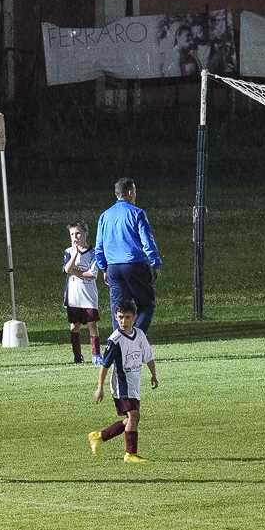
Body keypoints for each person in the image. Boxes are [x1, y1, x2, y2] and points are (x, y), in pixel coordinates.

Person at [88, 302, 156, 464]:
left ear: (135, 317)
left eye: (127, 317)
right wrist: (100, 388)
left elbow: (148, 356)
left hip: (134, 386)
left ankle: (99, 436)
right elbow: (105, 366)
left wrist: (154, 374)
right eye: (120, 317)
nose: (123, 321)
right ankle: (130, 454)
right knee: (134, 416)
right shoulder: (115, 340)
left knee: (131, 420)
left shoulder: (139, 335)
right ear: (116, 317)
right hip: (121, 386)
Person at [93, 177, 162, 336]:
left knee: (118, 309)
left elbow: (99, 246)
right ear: (130, 192)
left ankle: (118, 343)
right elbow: (147, 241)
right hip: (135, 265)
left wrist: (104, 268)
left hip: (113, 267)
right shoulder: (137, 213)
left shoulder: (105, 216)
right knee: (146, 305)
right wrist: (155, 262)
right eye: (135, 191)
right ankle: (135, 338)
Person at [61, 223, 104, 364]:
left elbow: (92, 274)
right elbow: (67, 269)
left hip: (89, 295)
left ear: (85, 234)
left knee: (92, 324)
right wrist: (75, 255)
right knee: (74, 326)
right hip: (73, 296)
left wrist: (75, 272)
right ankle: (77, 355)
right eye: (72, 234)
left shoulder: (94, 253)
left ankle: (96, 355)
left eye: (78, 233)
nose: (75, 237)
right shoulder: (68, 251)